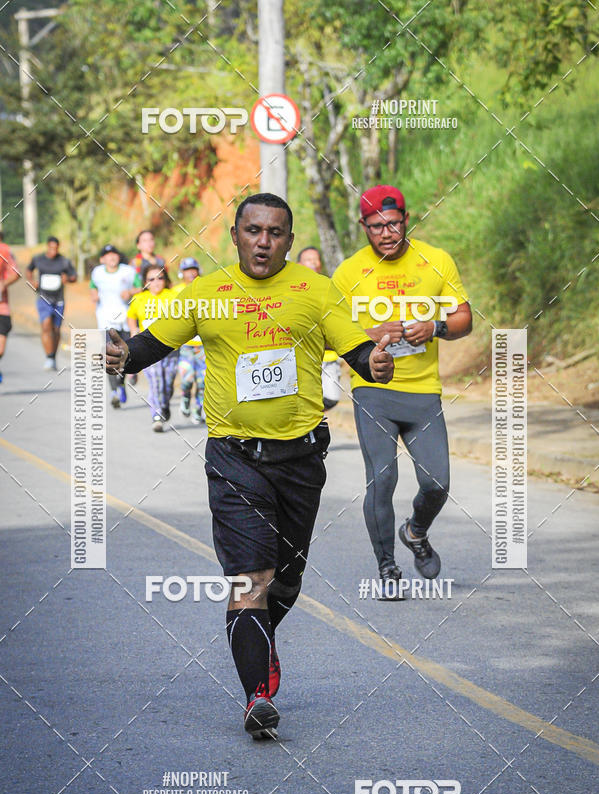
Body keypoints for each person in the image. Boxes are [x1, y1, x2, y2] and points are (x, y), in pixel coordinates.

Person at [107, 193, 393, 738]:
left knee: (285, 582)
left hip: (302, 457)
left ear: (289, 238)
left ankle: (260, 646)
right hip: (234, 457)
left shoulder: (315, 290)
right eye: (254, 230)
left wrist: (374, 362)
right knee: (249, 579)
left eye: (276, 232)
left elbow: (358, 351)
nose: (264, 241)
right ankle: (256, 695)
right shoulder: (209, 293)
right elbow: (149, 345)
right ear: (234, 235)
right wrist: (123, 356)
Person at [331, 185, 472, 588]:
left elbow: (465, 319)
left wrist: (436, 327)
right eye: (376, 226)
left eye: (393, 223)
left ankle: (415, 531)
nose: (386, 233)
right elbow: (328, 331)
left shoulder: (436, 261)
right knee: (383, 476)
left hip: (423, 390)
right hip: (372, 389)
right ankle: (386, 566)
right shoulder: (349, 272)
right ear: (363, 227)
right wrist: (369, 333)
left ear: (407, 219)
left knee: (437, 483)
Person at [127, 265, 179, 432]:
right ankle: (156, 415)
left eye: (160, 278)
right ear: (145, 282)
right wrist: (133, 332)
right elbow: (131, 317)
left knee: (168, 383)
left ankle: (164, 406)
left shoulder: (174, 296)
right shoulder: (139, 299)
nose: (156, 282)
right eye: (151, 279)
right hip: (149, 348)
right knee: (156, 381)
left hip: (171, 348)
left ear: (166, 280)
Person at [90, 244, 137, 408]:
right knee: (109, 355)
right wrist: (93, 294)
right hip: (105, 319)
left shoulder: (128, 271)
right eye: (107, 255)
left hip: (125, 318)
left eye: (114, 254)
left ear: (118, 256)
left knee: (124, 355)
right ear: (102, 259)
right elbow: (93, 286)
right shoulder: (97, 272)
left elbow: (141, 287)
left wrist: (131, 292)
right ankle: (114, 391)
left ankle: (121, 383)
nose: (111, 257)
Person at [297, 246, 342, 410]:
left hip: (329, 359)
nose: (314, 263)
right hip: (303, 360)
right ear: (299, 264)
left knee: (331, 398)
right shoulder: (291, 290)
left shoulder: (329, 288)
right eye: (309, 259)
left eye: (316, 259)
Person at [26, 236, 76, 370]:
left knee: (56, 329)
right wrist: (32, 282)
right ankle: (48, 357)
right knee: (46, 325)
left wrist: (68, 279)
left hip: (59, 299)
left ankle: (53, 356)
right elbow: (29, 270)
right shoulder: (38, 259)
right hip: (43, 298)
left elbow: (74, 276)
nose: (53, 251)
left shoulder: (64, 261)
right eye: (51, 248)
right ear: (47, 247)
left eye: (56, 248)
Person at [172, 257, 206, 425]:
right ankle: (185, 397)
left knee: (203, 381)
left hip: (204, 346)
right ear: (181, 273)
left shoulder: (206, 289)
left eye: (193, 269)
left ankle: (198, 409)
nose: (191, 273)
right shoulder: (175, 291)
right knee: (186, 379)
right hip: (185, 345)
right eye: (187, 270)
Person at [0, 233, 22, 385]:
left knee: (0, 349)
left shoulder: (5, 250)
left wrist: (3, 284)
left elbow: (16, 273)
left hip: (2, 307)